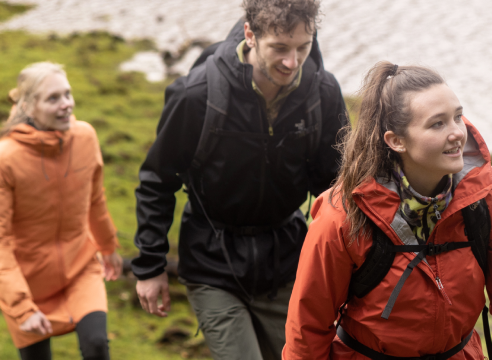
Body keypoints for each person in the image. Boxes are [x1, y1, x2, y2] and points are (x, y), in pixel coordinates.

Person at [283, 62, 492, 360]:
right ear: (396, 141)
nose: (457, 134)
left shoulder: (491, 195)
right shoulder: (342, 216)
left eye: (457, 117)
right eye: (438, 124)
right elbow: (307, 331)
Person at [129, 0, 348, 358]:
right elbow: (157, 181)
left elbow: (337, 187)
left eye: (303, 48)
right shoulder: (197, 95)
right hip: (212, 264)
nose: (292, 62)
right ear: (251, 35)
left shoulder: (322, 94)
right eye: (279, 48)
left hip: (288, 263)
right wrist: (150, 267)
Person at [0, 61, 122, 360]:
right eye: (53, 98)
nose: (66, 105)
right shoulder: (3, 157)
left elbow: (95, 199)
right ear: (29, 107)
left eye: (67, 94)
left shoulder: (85, 137)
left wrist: (108, 246)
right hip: (25, 281)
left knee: (97, 345)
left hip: (80, 265)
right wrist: (21, 306)